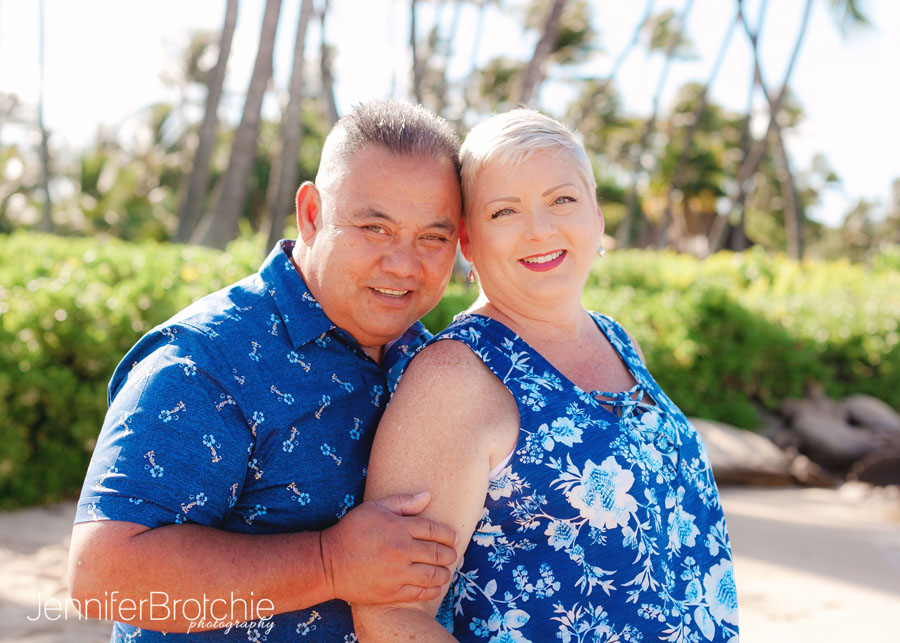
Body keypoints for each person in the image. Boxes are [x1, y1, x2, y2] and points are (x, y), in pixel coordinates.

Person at [68, 100, 464, 641]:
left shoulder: (432, 359)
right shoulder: (205, 360)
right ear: (311, 214)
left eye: (433, 238)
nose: (403, 264)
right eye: (375, 227)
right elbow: (102, 577)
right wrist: (329, 563)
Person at [353, 109, 740, 642]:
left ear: (596, 217)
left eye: (562, 200)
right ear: (468, 242)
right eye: (504, 211)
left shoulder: (618, 340)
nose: (539, 229)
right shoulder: (456, 377)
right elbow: (392, 616)